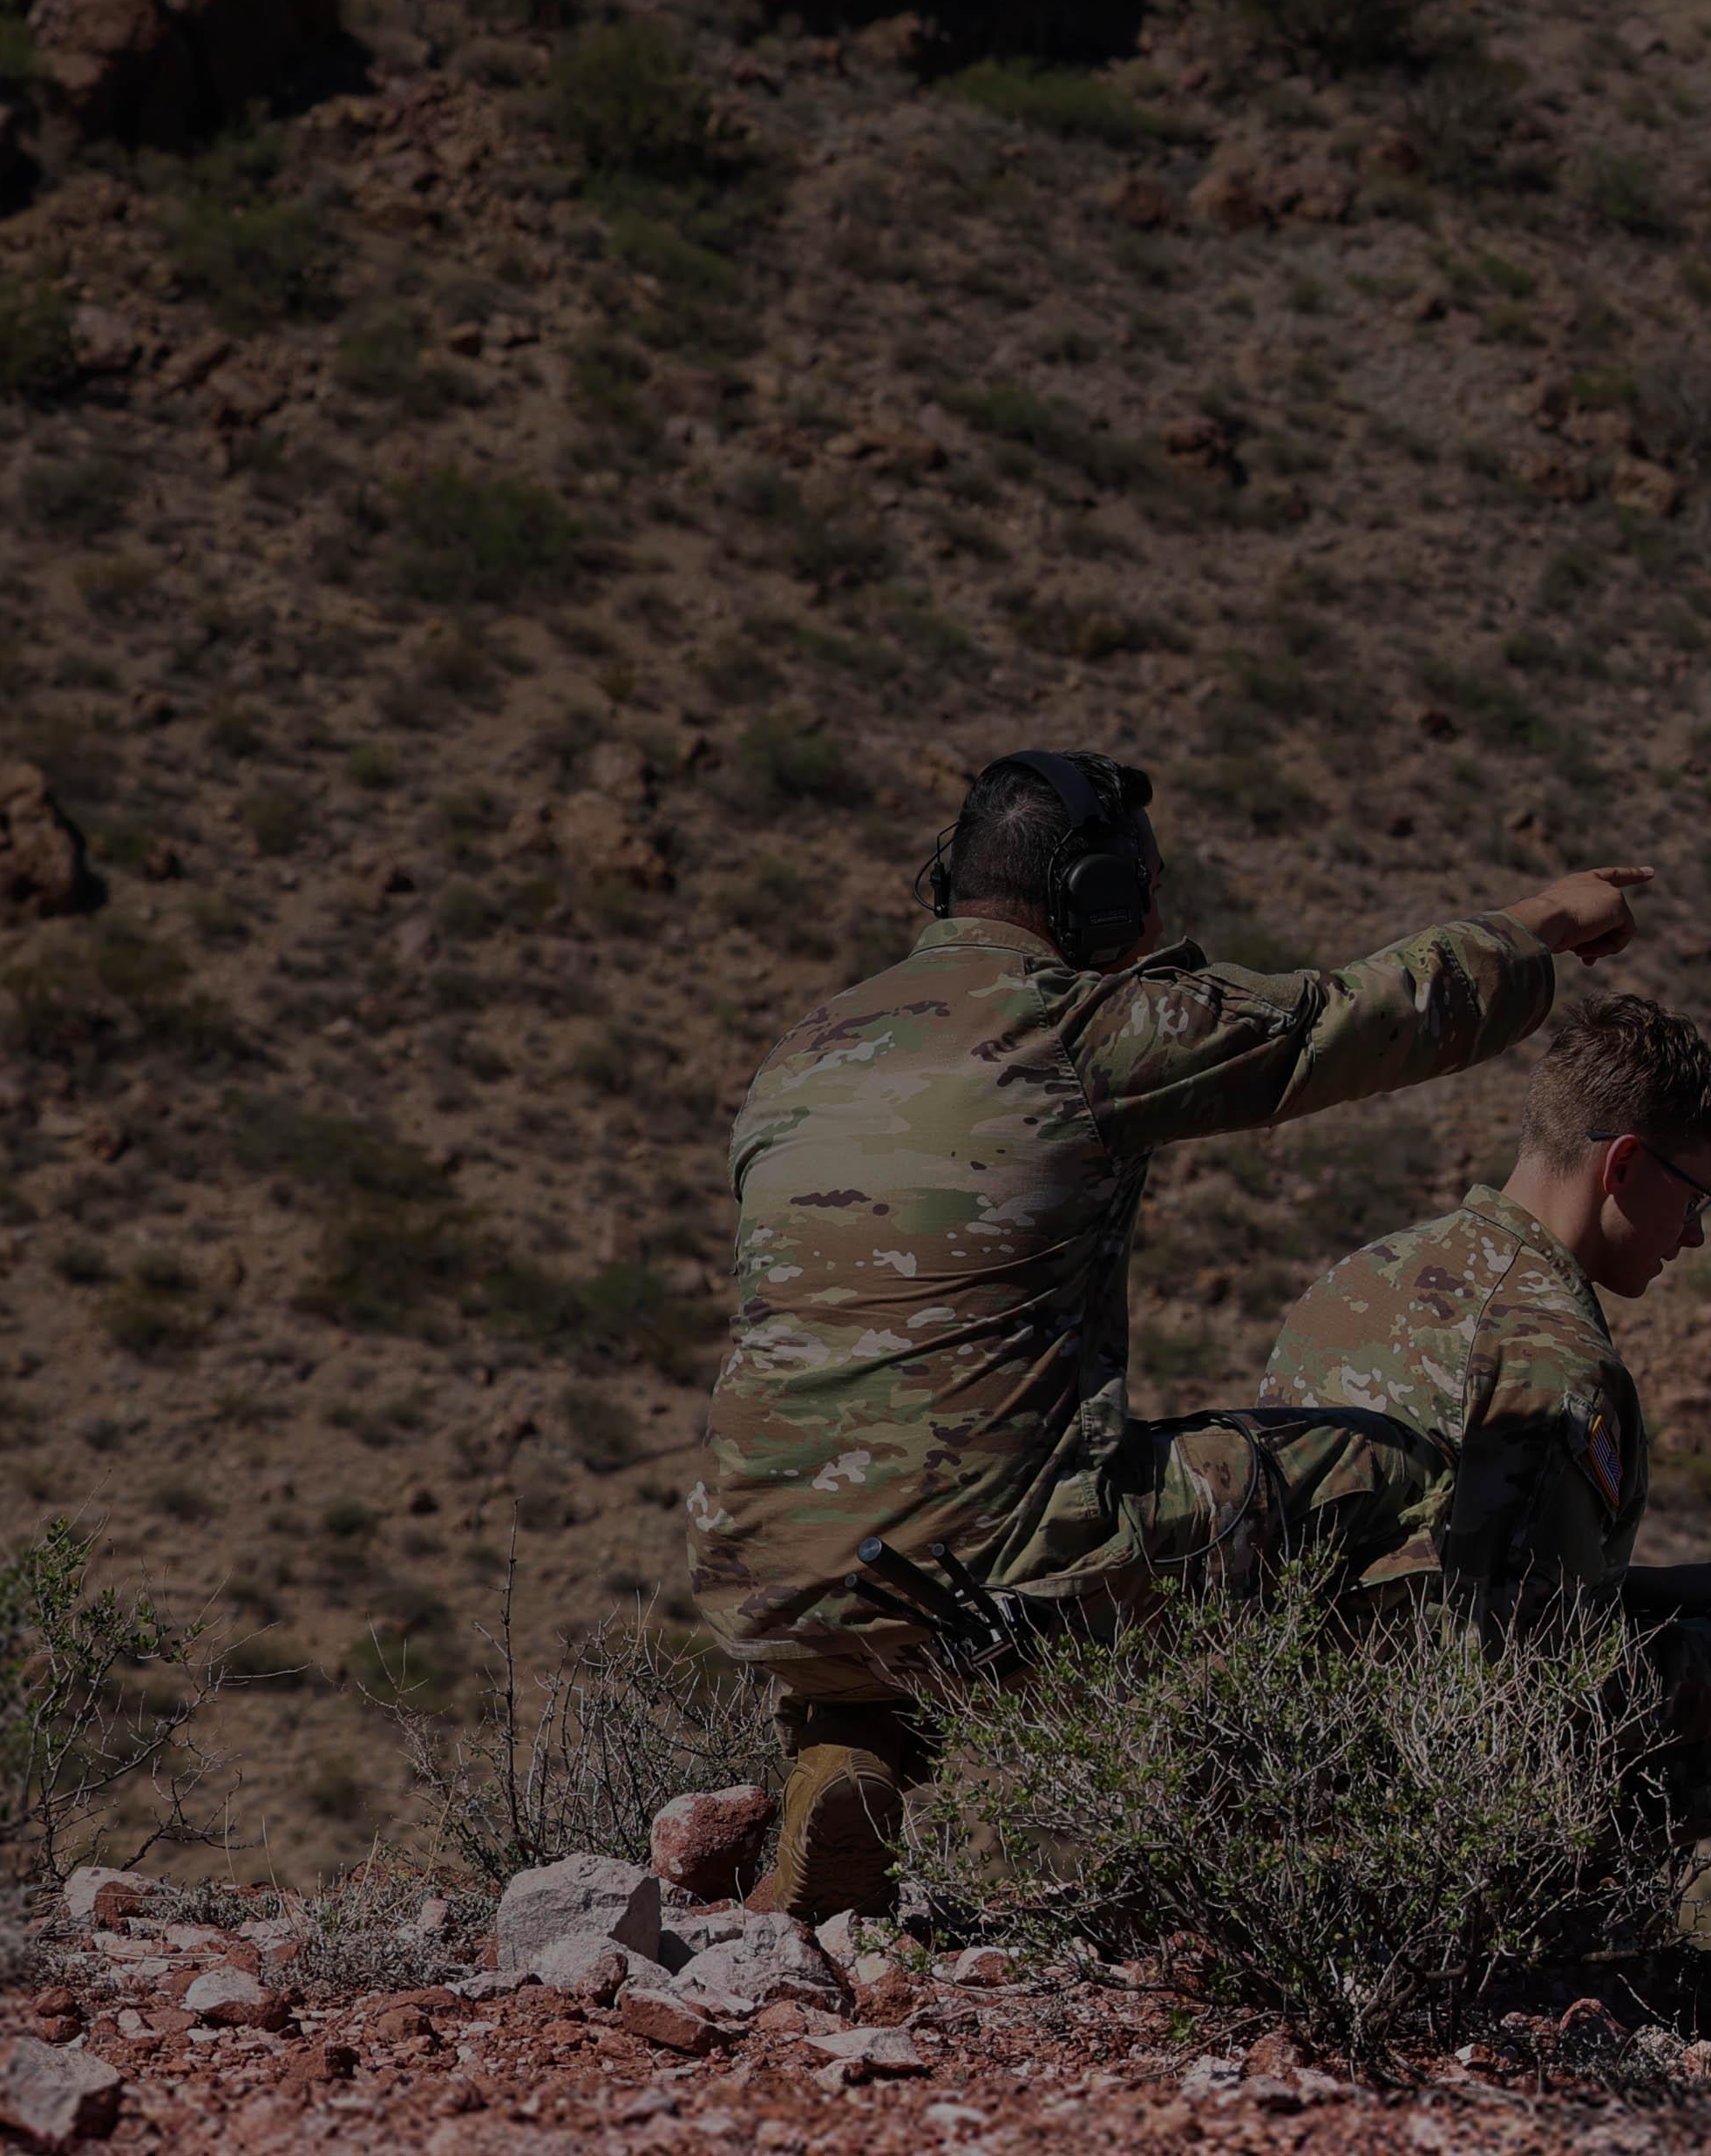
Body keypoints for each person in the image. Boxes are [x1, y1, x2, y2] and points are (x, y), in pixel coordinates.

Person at [687, 746, 1653, 1919]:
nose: (1155, 916)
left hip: (763, 1578)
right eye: (1145, 888)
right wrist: (1539, 922)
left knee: (907, 1506)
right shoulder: (1078, 1031)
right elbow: (1346, 1020)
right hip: (993, 1571)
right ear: (1095, 893)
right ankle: (1397, 1851)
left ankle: (845, 1761)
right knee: (1392, 1468)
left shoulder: (802, 1052)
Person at [1261, 993, 1711, 2065]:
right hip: (1466, 1812)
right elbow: (1546, 1691)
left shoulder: (1357, 1282)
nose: (1694, 1234)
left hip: (1302, 1775)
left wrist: (1701, 1589)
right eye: (1696, 1197)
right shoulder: (1555, 1357)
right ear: (1624, 1163)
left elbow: (1447, 1585)